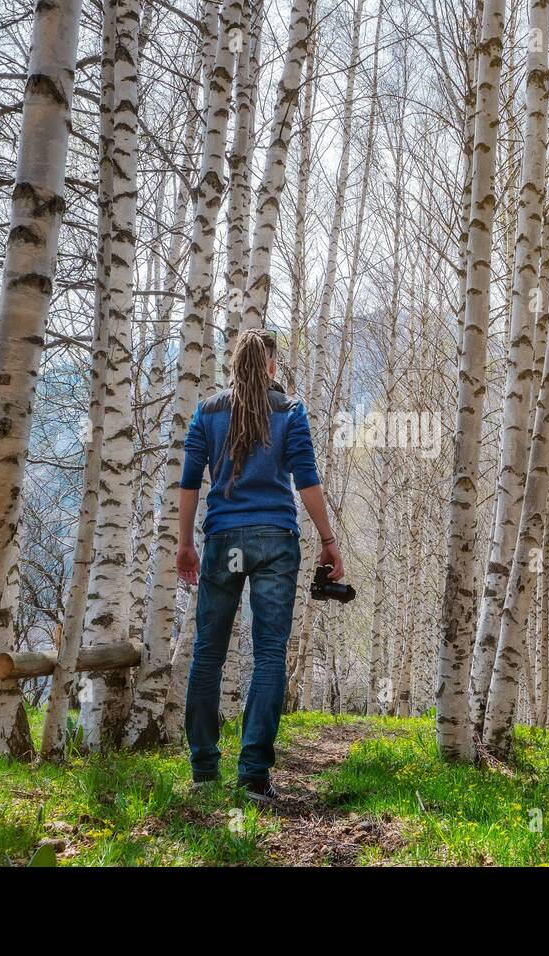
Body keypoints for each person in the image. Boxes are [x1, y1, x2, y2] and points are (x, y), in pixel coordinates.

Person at [177, 327, 344, 803]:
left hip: (224, 540)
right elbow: (307, 480)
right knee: (270, 654)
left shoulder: (206, 412)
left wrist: (186, 542)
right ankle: (252, 775)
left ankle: (204, 771)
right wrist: (328, 541)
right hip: (275, 541)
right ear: (272, 367)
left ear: (234, 365)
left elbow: (190, 483)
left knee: (209, 653)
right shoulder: (289, 411)